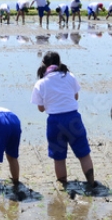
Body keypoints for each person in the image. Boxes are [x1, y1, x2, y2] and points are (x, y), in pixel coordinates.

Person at [31, 51, 96, 189]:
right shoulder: (69, 76)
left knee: (59, 158)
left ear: (44, 64)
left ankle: (63, 186)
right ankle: (91, 182)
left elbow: (41, 109)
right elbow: (76, 96)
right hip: (73, 118)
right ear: (59, 63)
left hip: (55, 122)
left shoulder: (41, 83)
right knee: (84, 154)